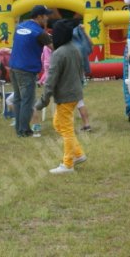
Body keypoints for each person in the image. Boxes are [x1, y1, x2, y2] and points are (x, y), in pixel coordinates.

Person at [35, 19, 87, 174]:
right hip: (75, 94)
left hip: (66, 96)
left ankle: (68, 164)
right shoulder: (75, 48)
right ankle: (78, 154)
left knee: (66, 129)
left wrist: (42, 102)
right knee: (58, 124)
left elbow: (51, 80)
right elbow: (80, 72)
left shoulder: (58, 53)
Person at [10, 5, 52, 138]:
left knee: (18, 99)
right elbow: (54, 47)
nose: (47, 18)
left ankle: (19, 128)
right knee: (27, 100)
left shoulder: (20, 27)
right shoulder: (39, 33)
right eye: (45, 16)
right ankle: (24, 131)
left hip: (13, 67)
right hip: (27, 69)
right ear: (39, 17)